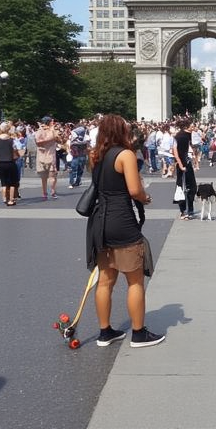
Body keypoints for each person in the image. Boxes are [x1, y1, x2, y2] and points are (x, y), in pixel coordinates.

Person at [87, 114, 165, 348]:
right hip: (122, 220)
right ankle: (139, 333)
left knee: (105, 280)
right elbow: (134, 190)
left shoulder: (96, 155)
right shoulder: (125, 155)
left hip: (100, 222)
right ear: (120, 131)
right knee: (135, 280)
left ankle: (105, 332)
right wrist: (146, 197)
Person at [0, 122, 19, 205]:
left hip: (0, 162)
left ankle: (4, 198)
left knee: (3, 181)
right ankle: (11, 200)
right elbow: (15, 152)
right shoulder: (11, 139)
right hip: (10, 162)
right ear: (8, 129)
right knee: (12, 182)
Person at [173, 119, 197, 220]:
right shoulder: (182, 136)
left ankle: (185, 210)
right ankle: (186, 211)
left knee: (186, 187)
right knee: (186, 187)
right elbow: (175, 151)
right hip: (184, 164)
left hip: (184, 163)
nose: (194, 127)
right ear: (187, 126)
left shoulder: (181, 135)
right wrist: (180, 164)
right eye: (192, 125)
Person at [35, 116, 59, 199]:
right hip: (50, 156)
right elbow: (59, 140)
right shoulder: (52, 131)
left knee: (44, 177)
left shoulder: (39, 131)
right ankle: (52, 192)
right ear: (49, 122)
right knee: (52, 176)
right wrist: (51, 137)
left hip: (41, 156)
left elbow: (38, 142)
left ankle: (45, 193)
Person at [68, 123, 90, 188]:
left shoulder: (73, 133)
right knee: (80, 168)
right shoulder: (85, 133)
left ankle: (73, 182)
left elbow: (71, 143)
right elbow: (88, 141)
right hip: (81, 153)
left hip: (76, 153)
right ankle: (77, 181)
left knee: (74, 167)